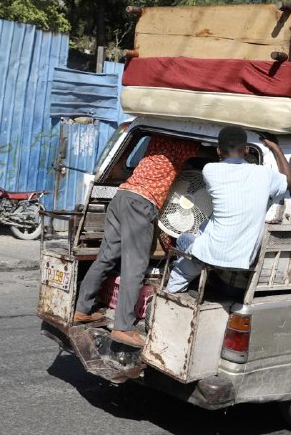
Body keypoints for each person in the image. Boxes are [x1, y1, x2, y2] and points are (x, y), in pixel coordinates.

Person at [73, 135, 200, 348]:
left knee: (106, 257)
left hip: (122, 195)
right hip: (142, 203)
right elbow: (208, 157)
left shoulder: (155, 140)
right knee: (135, 267)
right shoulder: (186, 144)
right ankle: (123, 327)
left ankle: (82, 309)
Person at [166, 126, 291, 293]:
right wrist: (276, 149)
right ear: (247, 150)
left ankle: (172, 291)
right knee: (202, 234)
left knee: (184, 240)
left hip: (211, 253)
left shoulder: (209, 170)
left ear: (219, 150)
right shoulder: (265, 174)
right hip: (244, 258)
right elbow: (290, 182)